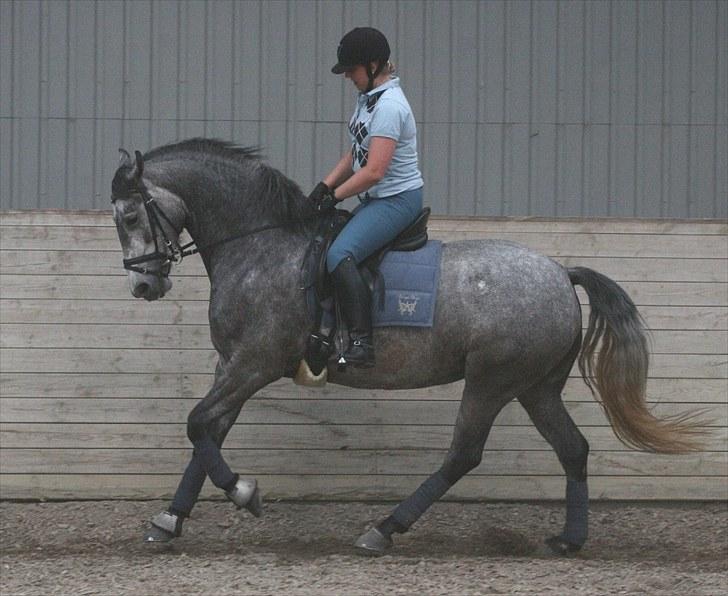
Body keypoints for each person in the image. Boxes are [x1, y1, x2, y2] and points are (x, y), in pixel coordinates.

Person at [308, 27, 424, 368]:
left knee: (340, 253)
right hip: (376, 198)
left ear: (373, 66)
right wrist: (325, 187)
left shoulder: (389, 106)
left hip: (397, 200)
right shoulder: (368, 100)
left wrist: (336, 197)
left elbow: (374, 171)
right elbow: (355, 153)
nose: (346, 76)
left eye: (351, 69)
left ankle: (362, 342)